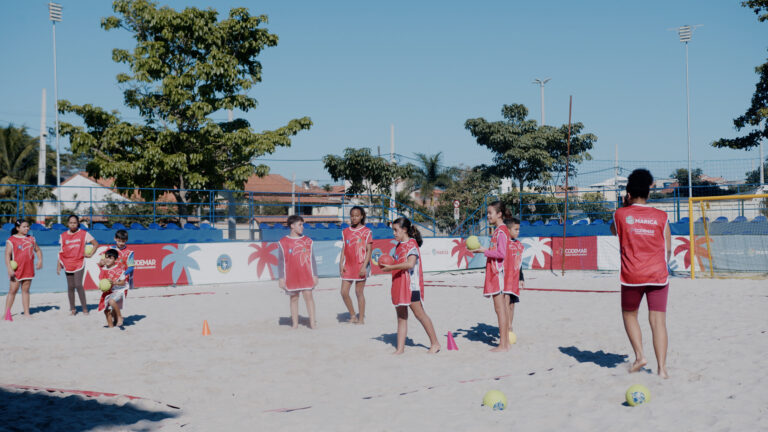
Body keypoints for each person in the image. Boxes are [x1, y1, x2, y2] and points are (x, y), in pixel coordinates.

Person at [611, 168, 671, 379]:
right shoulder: (661, 216)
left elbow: (613, 230)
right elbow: (668, 249)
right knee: (658, 322)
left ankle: (640, 356)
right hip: (658, 275)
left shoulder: (620, 214)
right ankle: (662, 369)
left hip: (632, 275)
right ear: (648, 192)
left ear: (628, 193)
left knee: (629, 315)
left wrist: (626, 206)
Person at [379, 217, 440, 354]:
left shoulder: (412, 245)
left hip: (411, 287)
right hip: (399, 285)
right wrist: (389, 265)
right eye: (393, 230)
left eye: (396, 230)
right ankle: (400, 349)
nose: (394, 233)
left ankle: (435, 343)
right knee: (401, 317)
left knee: (420, 315)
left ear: (404, 229)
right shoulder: (398, 246)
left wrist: (391, 267)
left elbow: (410, 264)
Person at [472, 201, 512, 352]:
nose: (488, 216)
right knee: (501, 309)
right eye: (487, 213)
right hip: (496, 272)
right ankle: (505, 343)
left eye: (490, 213)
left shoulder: (501, 231)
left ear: (499, 214)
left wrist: (484, 250)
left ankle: (503, 344)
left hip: (498, 273)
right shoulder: (499, 230)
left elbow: (501, 254)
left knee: (500, 309)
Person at [277, 215, 318, 329]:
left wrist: (315, 275)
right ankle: (295, 324)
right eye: (300, 225)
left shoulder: (308, 241)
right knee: (294, 298)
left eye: (302, 224)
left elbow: (312, 259)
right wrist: (281, 278)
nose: (302, 227)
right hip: (291, 276)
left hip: (306, 274)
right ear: (292, 226)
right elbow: (281, 261)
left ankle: (312, 323)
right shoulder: (283, 242)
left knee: (308, 297)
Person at [57, 215, 99, 316]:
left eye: (75, 222)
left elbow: (96, 244)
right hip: (67, 263)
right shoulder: (63, 236)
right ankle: (73, 309)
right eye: (71, 222)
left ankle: (84, 308)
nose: (73, 224)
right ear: (68, 224)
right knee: (70, 286)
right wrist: (58, 264)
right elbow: (61, 251)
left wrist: (90, 254)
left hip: (79, 262)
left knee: (78, 285)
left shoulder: (84, 234)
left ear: (78, 223)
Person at [339, 206, 373, 324]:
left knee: (359, 292)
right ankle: (353, 315)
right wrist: (341, 263)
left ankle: (361, 318)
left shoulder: (366, 231)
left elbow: (369, 250)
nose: (354, 218)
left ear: (362, 216)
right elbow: (344, 248)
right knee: (343, 292)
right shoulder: (345, 232)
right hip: (348, 266)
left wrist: (364, 266)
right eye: (352, 215)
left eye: (357, 215)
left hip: (360, 265)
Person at [4, 220, 43, 319]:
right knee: (12, 291)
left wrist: (40, 260)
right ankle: (6, 313)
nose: (27, 228)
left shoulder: (31, 239)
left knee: (25, 291)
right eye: (24, 227)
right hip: (17, 270)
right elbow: (7, 255)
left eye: (27, 226)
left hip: (28, 269)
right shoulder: (11, 240)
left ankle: (26, 312)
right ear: (18, 228)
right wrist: (9, 268)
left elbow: (38, 250)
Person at [504, 217, 525, 333]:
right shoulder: (503, 243)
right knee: (505, 303)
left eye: (518, 229)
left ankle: (510, 326)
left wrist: (521, 278)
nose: (518, 232)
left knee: (512, 304)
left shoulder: (518, 245)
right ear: (508, 230)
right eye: (515, 229)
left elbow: (519, 262)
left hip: (514, 280)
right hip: (504, 280)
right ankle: (507, 326)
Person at [97, 249, 127, 328]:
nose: (108, 259)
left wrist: (114, 282)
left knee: (111, 301)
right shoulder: (104, 269)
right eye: (106, 257)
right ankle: (111, 327)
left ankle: (120, 317)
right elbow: (100, 267)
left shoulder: (119, 270)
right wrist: (102, 286)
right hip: (109, 291)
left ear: (115, 260)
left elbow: (123, 283)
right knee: (106, 311)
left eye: (110, 258)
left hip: (119, 290)